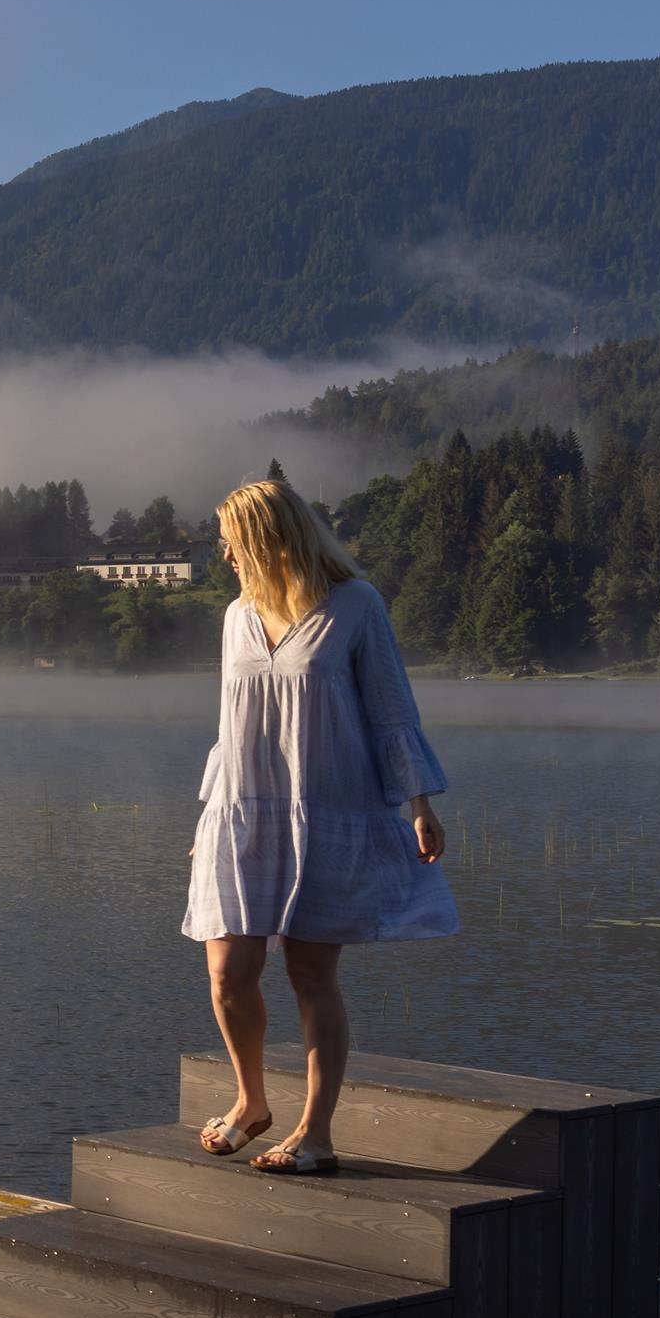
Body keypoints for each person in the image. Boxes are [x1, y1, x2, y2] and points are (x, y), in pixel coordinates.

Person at [184, 477, 452, 1174]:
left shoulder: (355, 606)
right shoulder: (237, 616)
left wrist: (419, 803)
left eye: (233, 543)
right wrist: (211, 817)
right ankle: (251, 1103)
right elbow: (229, 728)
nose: (225, 557)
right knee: (228, 972)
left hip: (325, 813)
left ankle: (316, 1134)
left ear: (268, 539)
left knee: (310, 972)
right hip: (244, 812)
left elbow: (392, 712)